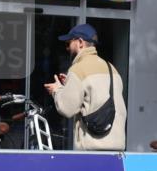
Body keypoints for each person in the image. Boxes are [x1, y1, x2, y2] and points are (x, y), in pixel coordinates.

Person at [44, 23, 126, 151]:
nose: (67, 48)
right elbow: (97, 97)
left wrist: (57, 90)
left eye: (69, 43)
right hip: (117, 147)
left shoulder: (78, 69)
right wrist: (70, 86)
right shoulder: (111, 68)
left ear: (80, 42)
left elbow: (67, 108)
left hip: (91, 148)